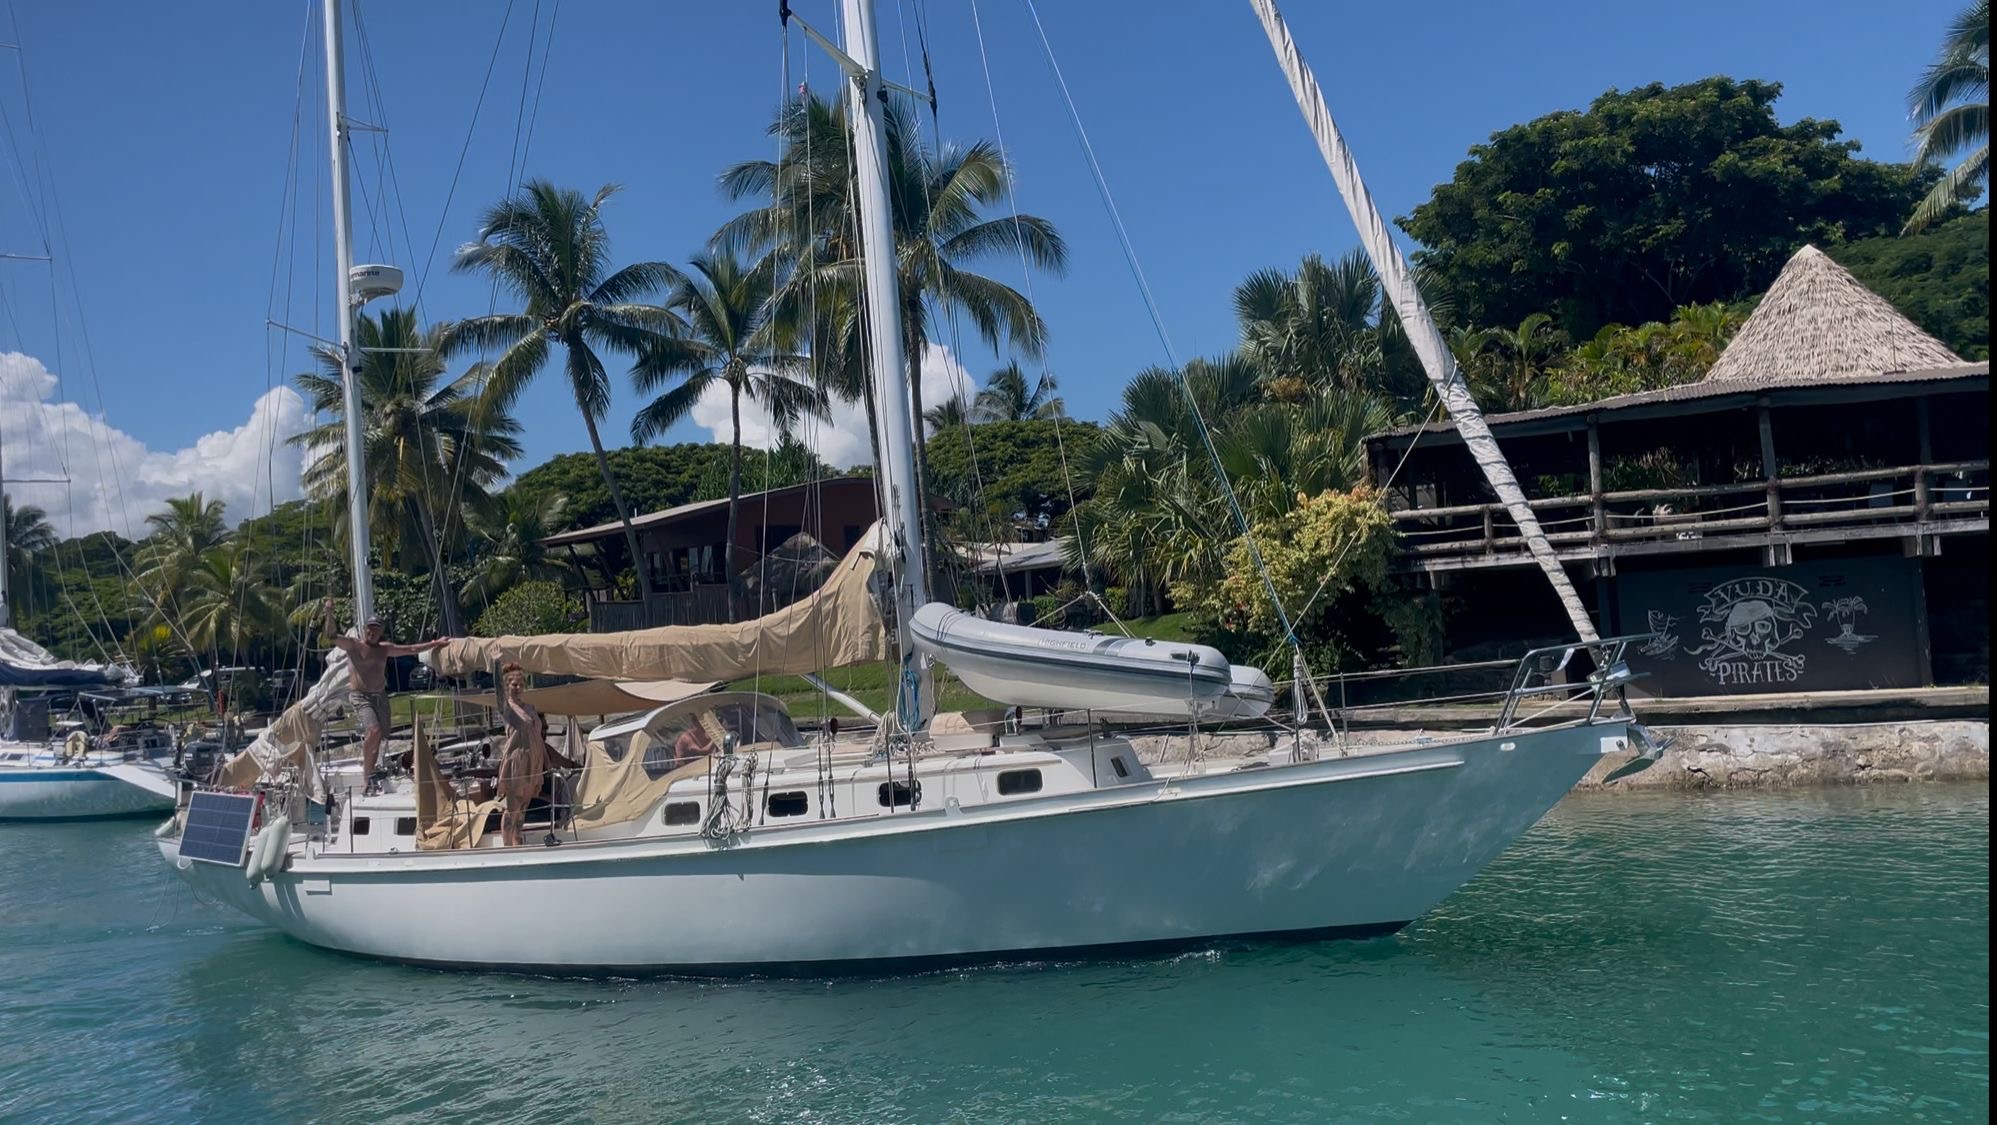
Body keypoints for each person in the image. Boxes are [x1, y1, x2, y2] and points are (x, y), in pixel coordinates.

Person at [320, 597, 449, 795]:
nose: (372, 632)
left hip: (380, 697)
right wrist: (329, 613)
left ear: (381, 631)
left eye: (376, 629)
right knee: (373, 730)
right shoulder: (353, 645)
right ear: (364, 629)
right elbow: (330, 635)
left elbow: (412, 649)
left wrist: (435, 643)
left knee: (380, 735)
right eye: (369, 628)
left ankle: (371, 771)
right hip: (360, 697)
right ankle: (365, 778)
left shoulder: (384, 649)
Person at [496, 662, 553, 847]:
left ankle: (517, 839)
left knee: (524, 806)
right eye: (514, 684)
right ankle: (506, 845)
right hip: (517, 759)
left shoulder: (530, 709)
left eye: (521, 684)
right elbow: (498, 694)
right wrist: (497, 664)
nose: (519, 688)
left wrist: (546, 761)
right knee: (513, 805)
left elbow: (537, 737)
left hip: (534, 760)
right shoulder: (508, 708)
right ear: (507, 687)